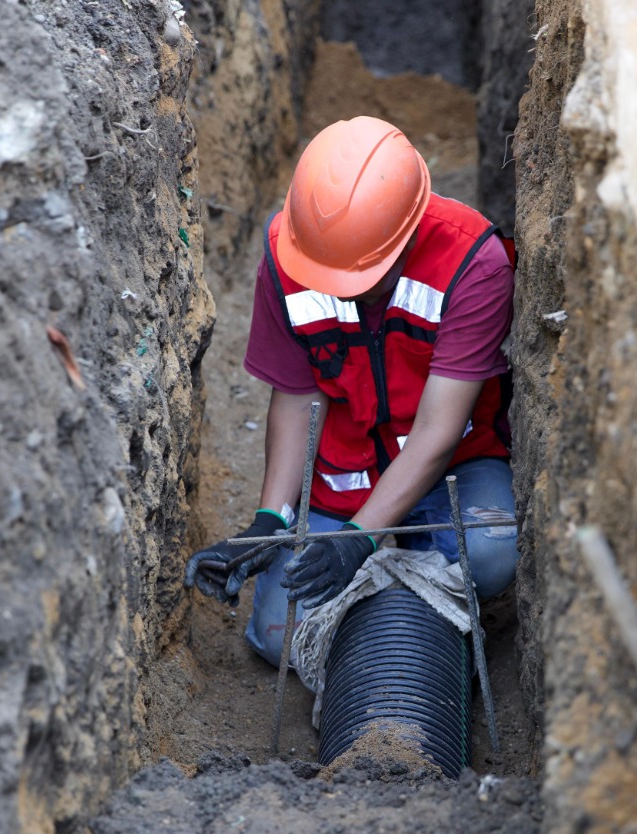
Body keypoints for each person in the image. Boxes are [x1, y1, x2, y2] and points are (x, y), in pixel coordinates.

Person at [184, 115, 519, 667]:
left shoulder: (471, 264)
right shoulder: (290, 254)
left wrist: (359, 540)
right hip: (349, 465)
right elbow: (295, 393)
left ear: (407, 235)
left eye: (359, 280)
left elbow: (438, 430)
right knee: (277, 634)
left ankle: (406, 608)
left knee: (490, 554)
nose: (337, 289)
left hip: (453, 465)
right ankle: (385, 614)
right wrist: (270, 521)